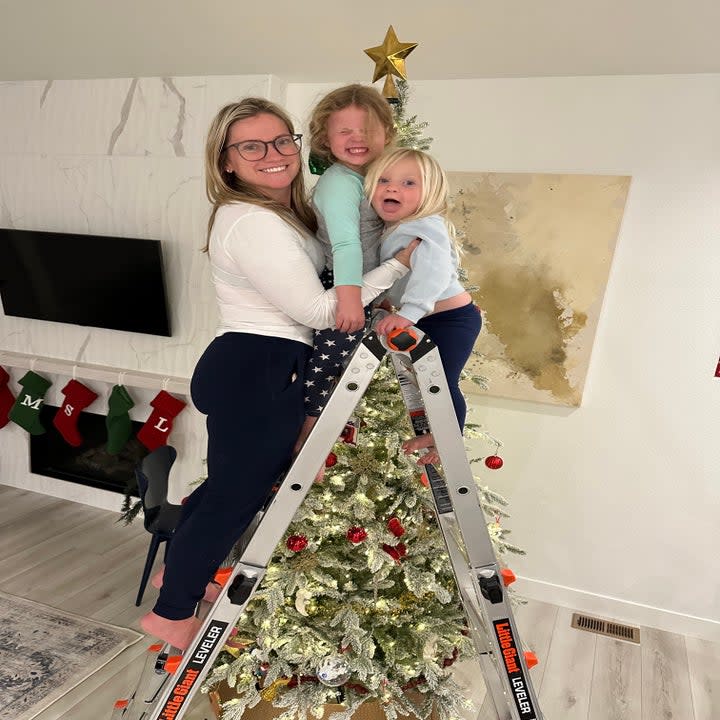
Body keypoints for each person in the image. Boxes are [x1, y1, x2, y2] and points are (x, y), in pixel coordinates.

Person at [140, 98, 417, 650]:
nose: (273, 155)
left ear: (297, 144)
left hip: (258, 365)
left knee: (228, 487)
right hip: (259, 366)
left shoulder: (283, 214)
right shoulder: (250, 221)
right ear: (226, 162)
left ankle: (172, 574)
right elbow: (320, 312)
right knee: (235, 499)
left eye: (282, 141)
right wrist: (399, 265)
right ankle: (171, 614)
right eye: (251, 146)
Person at [293, 85, 395, 452]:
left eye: (367, 130)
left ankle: (320, 444)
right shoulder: (339, 182)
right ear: (325, 138)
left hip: (360, 287)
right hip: (342, 285)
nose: (358, 139)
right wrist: (349, 299)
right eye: (345, 131)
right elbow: (346, 244)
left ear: (388, 133)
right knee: (327, 370)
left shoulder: (373, 179)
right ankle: (305, 446)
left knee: (346, 371)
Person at [365, 147, 482, 466]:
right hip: (430, 316)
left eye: (408, 184)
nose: (392, 188)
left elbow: (434, 272)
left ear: (429, 194)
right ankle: (436, 433)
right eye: (384, 180)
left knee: (443, 379)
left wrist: (408, 312)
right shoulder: (393, 228)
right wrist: (390, 302)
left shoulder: (424, 225)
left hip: (452, 319)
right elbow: (400, 273)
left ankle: (450, 438)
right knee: (425, 380)